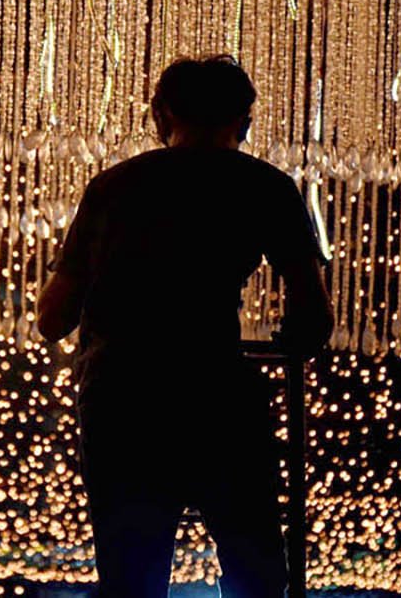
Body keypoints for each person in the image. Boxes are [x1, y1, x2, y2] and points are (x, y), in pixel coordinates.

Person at [37, 54, 332, 598]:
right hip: (219, 394)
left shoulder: (113, 188)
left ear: (162, 112)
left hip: (122, 398)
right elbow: (314, 318)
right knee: (256, 573)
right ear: (243, 119)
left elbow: (53, 319)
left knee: (131, 576)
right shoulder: (266, 188)